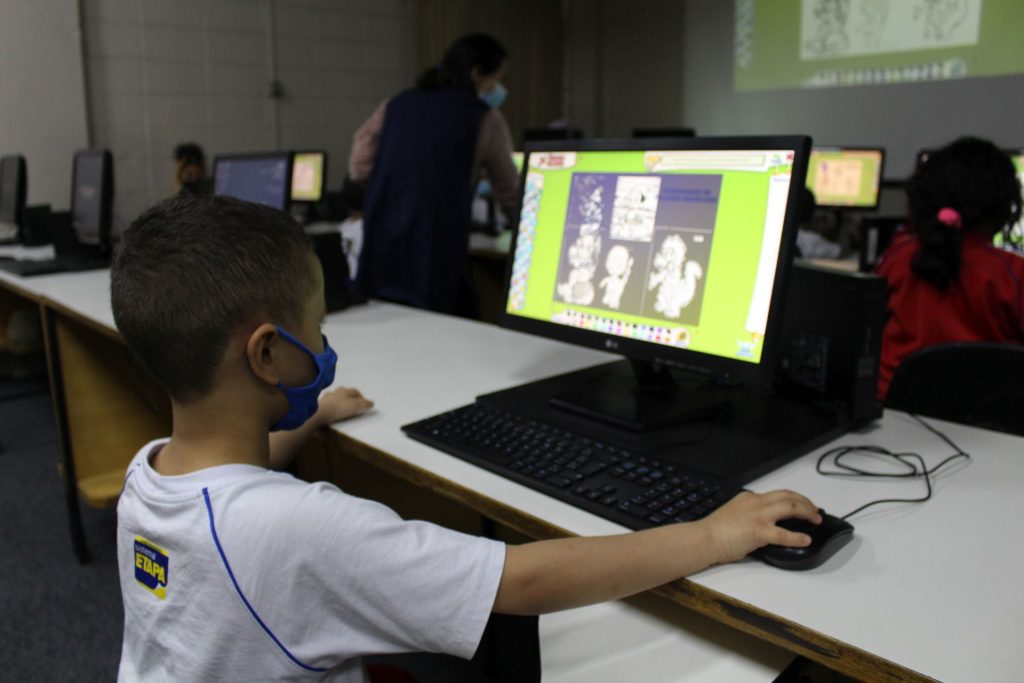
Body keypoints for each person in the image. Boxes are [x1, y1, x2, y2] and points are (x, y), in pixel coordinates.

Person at [110, 194, 821, 682]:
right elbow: (522, 581)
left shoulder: (148, 478)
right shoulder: (304, 527)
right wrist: (713, 535)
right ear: (266, 355)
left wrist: (314, 416)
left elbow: (240, 487)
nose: (325, 343)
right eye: (318, 327)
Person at [349, 33, 520, 315]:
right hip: (436, 239)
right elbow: (510, 191)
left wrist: (390, 185)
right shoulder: (484, 117)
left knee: (382, 318)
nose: (497, 88)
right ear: (477, 73)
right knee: (435, 322)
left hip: (383, 234)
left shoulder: (395, 104)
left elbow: (359, 163)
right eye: (495, 79)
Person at [875, 137, 1024, 399]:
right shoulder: (1012, 273)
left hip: (894, 409)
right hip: (989, 422)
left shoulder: (898, 258)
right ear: (1002, 208)